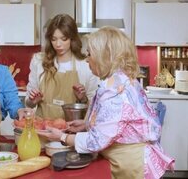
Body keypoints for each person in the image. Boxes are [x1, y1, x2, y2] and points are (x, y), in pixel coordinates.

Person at [38, 26, 174, 179]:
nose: (87, 59)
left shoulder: (115, 91)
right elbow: (117, 124)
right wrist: (86, 124)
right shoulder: (118, 81)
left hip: (130, 164)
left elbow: (97, 141)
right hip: (126, 160)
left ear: (105, 56)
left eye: (90, 54)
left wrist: (62, 137)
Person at [25, 14, 99, 119]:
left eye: (64, 39)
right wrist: (32, 101)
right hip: (42, 130)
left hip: (72, 132)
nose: (58, 44)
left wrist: (83, 99)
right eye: (54, 39)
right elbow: (28, 103)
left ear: (72, 38)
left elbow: (94, 107)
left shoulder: (86, 65)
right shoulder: (38, 61)